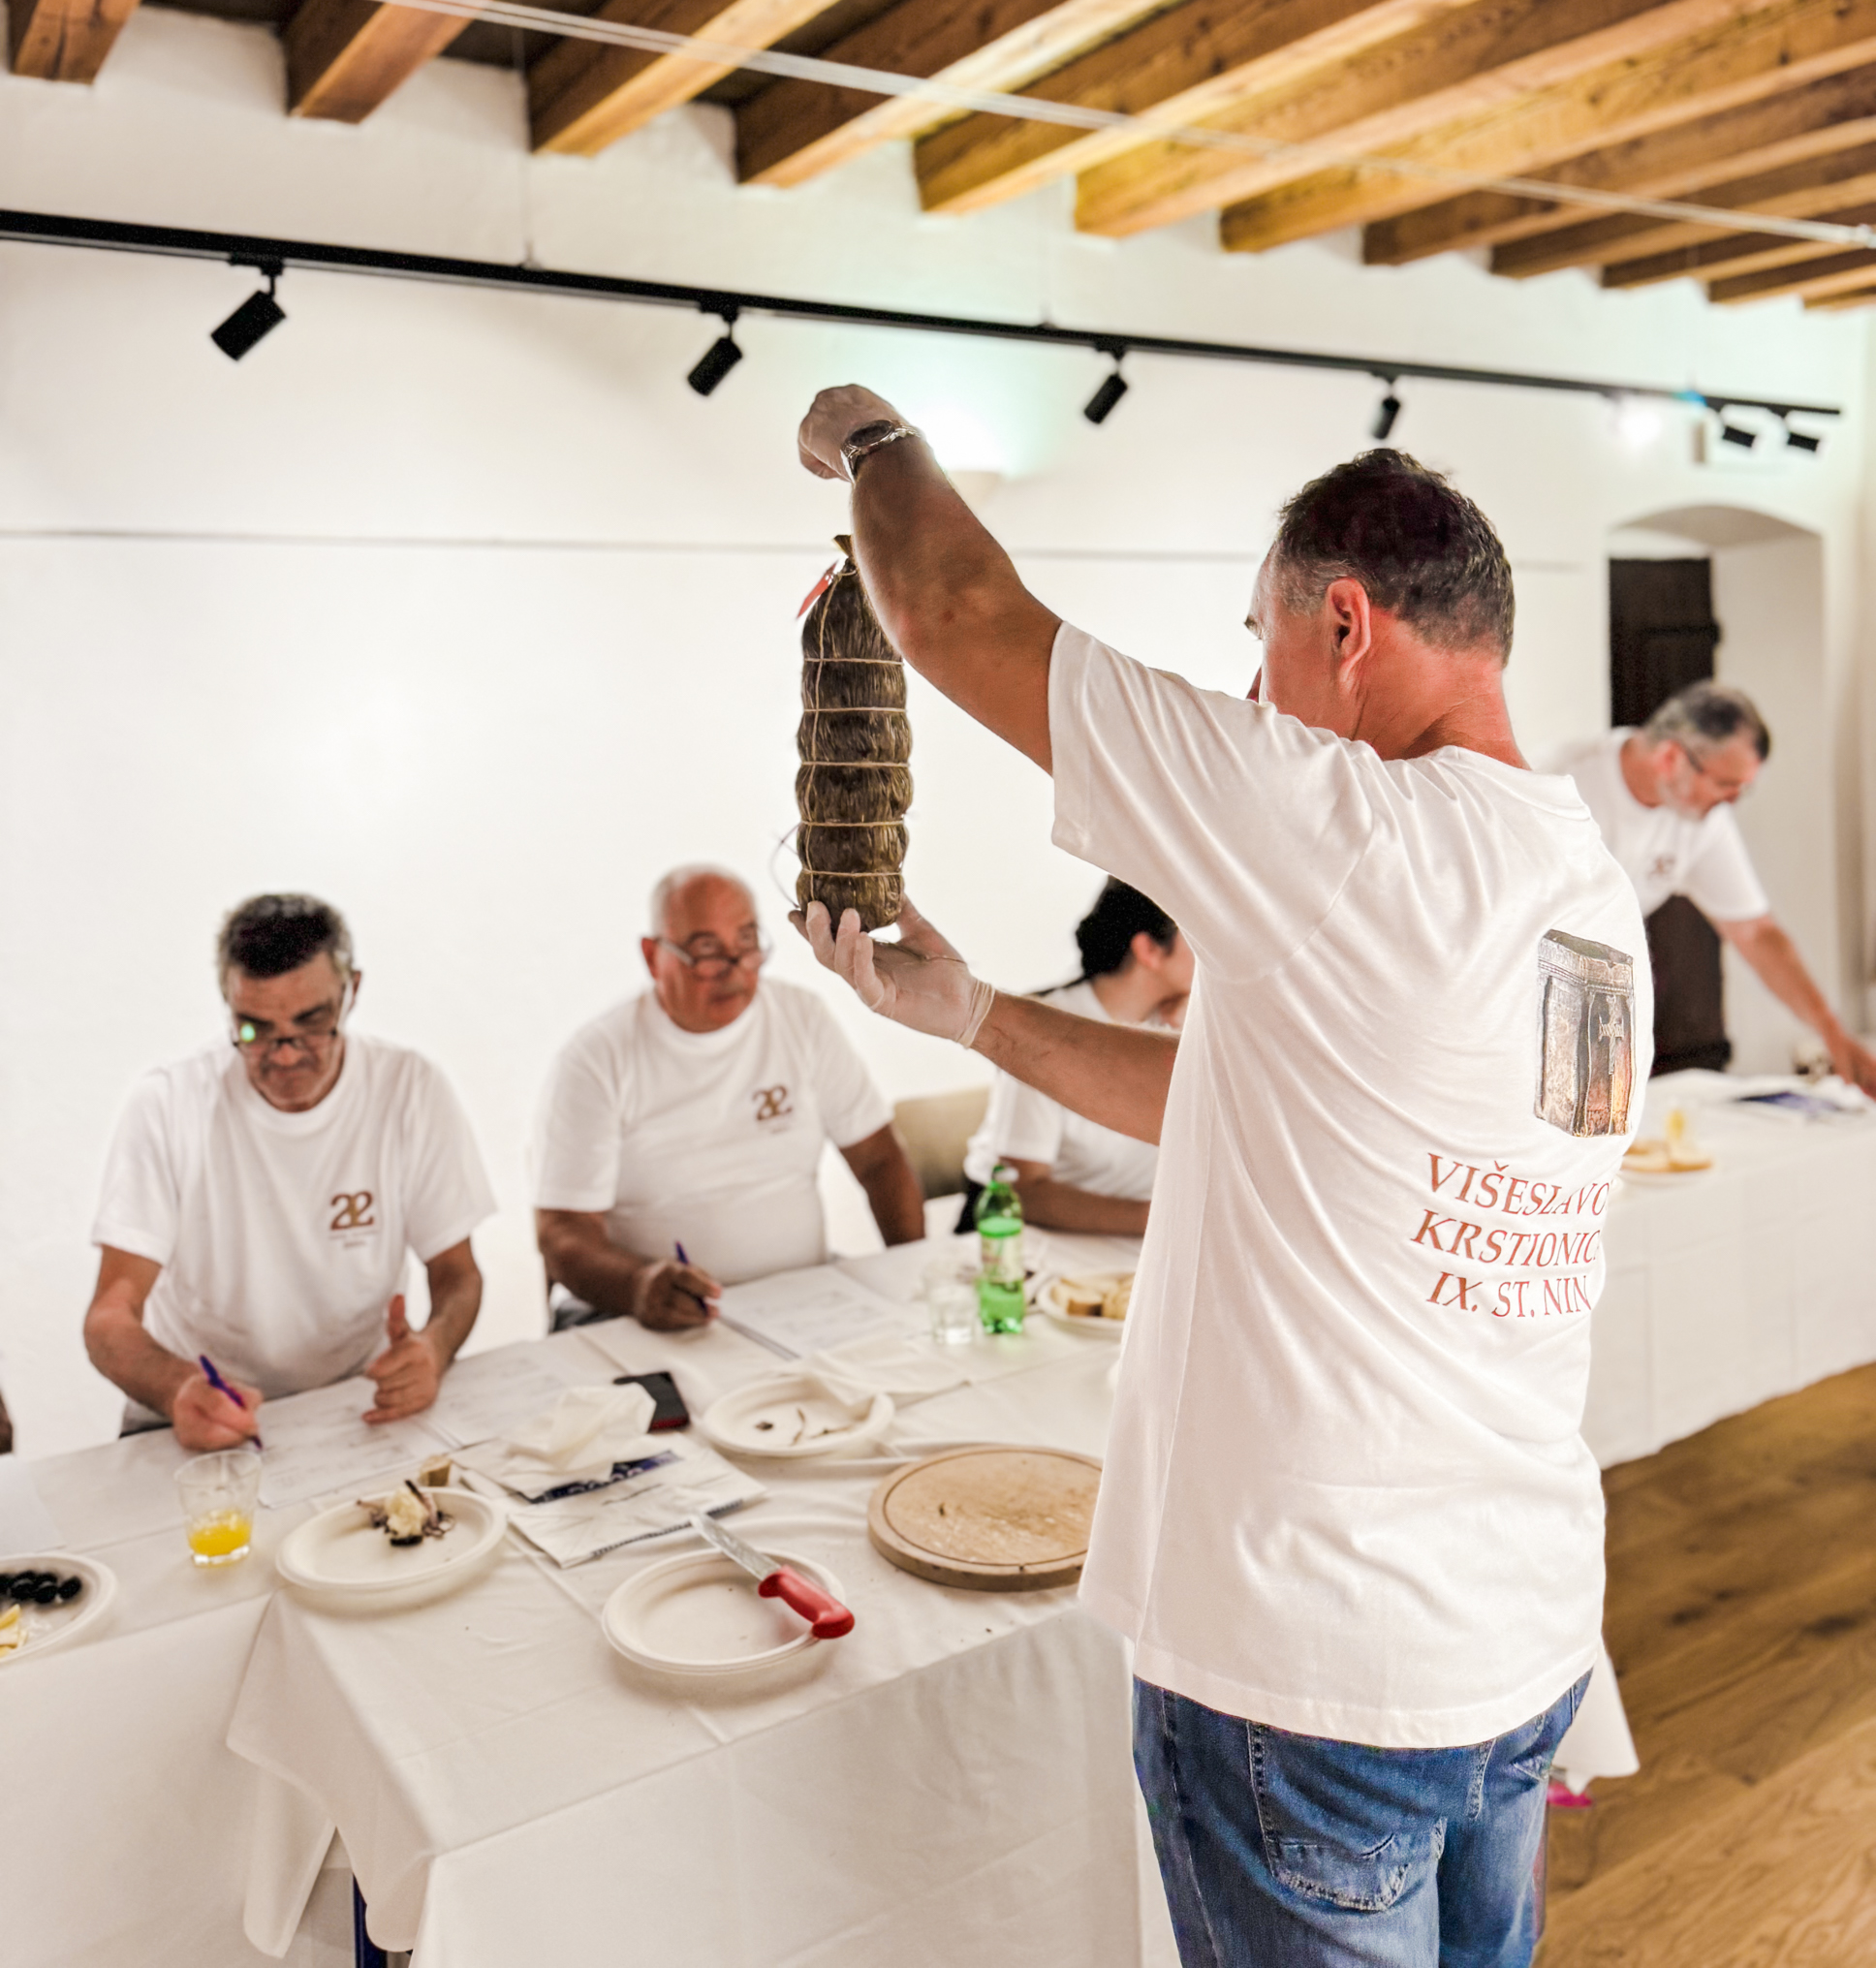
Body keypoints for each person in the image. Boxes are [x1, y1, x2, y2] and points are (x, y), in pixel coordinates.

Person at [794, 390, 1650, 1968]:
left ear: (1346, 623)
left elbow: (955, 611)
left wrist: (870, 440)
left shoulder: (1351, 826)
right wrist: (976, 1014)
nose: (1254, 692)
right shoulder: (1584, 887)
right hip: (1515, 1631)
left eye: (1262, 643)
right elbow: (1246, 1099)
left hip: (1315, 1667)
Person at [84, 894, 493, 1450]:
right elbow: (110, 1317)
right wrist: (177, 1387)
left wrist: (433, 1348)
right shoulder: (168, 1103)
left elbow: (458, 1275)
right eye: (254, 1030)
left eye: (311, 1023)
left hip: (354, 1399)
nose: (284, 1056)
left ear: (351, 991)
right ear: (227, 1004)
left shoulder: (409, 1089)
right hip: (200, 1408)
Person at [533, 865, 923, 1333]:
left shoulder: (801, 1018)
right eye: (706, 951)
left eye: (747, 942)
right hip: (654, 1316)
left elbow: (878, 1160)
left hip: (803, 1301)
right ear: (653, 957)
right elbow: (562, 1230)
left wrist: (912, 1278)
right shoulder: (596, 1060)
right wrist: (637, 1286)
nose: (735, 968)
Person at [1548, 682, 1876, 1094]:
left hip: (1602, 1010)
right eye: (1726, 784)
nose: (1733, 800)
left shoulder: (1701, 820)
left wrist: (1833, 1034)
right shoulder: (1560, 784)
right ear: (1670, 758)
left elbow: (1755, 933)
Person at [959, 877, 1189, 1236]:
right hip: (1020, 1232)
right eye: (1197, 935)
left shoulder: (1181, 1023)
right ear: (1149, 950)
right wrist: (1163, 1222)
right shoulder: (1043, 1032)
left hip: (1121, 1240)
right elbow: (1024, 1191)